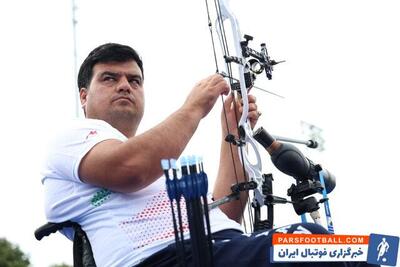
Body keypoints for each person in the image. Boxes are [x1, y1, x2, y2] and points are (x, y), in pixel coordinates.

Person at [41, 43, 378, 267]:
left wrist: (230, 128)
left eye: (134, 80)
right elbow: (131, 169)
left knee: (355, 250)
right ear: (83, 96)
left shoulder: (161, 157)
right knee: (319, 248)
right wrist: (194, 108)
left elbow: (228, 211)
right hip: (164, 259)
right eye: (110, 79)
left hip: (222, 249)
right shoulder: (72, 138)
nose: (125, 85)